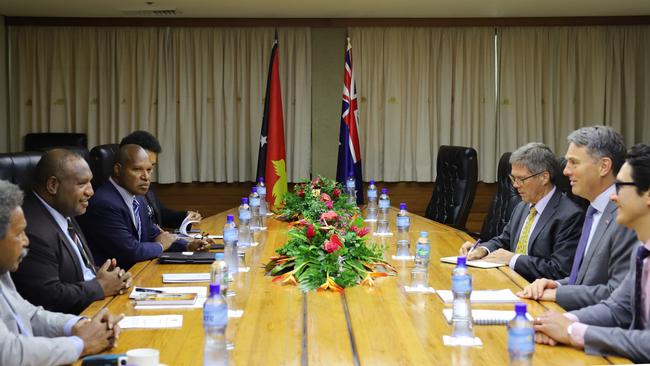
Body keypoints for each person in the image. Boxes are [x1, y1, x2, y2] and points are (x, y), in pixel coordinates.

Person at [533, 143, 650, 363]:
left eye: (621, 187)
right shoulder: (643, 251)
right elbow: (617, 309)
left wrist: (572, 332)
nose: (613, 197)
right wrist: (560, 321)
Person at [0, 179, 123, 365]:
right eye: (19, 234)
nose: (26, 241)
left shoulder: (2, 271)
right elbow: (10, 354)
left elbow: (29, 315)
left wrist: (79, 325)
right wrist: (80, 344)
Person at [518, 126, 637, 310]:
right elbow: (584, 281)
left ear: (603, 166)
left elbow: (618, 293)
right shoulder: (593, 210)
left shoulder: (625, 216)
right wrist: (556, 284)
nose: (565, 171)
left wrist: (559, 295)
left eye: (574, 162)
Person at [11, 149, 132, 315]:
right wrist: (100, 287)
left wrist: (109, 277)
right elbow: (47, 297)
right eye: (82, 184)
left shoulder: (64, 210)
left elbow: (81, 270)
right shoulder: (31, 229)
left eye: (90, 183)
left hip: (95, 306)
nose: (91, 191)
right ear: (53, 185)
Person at [459, 142, 583, 282]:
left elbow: (559, 270)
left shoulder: (570, 216)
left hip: (537, 292)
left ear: (544, 177)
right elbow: (504, 240)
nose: (515, 185)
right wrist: (482, 249)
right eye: (513, 178)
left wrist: (514, 259)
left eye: (521, 179)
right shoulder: (523, 206)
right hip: (509, 281)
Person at [77, 144, 211, 270]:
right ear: (118, 170)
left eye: (149, 170)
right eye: (137, 169)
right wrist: (161, 245)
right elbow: (131, 251)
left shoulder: (138, 197)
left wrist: (188, 245)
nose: (146, 177)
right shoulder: (105, 203)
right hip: (116, 277)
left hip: (138, 270)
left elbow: (152, 233)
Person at [119, 130, 202, 229]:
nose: (147, 175)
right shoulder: (115, 201)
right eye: (139, 168)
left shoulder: (144, 185)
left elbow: (159, 213)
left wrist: (185, 217)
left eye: (151, 167)